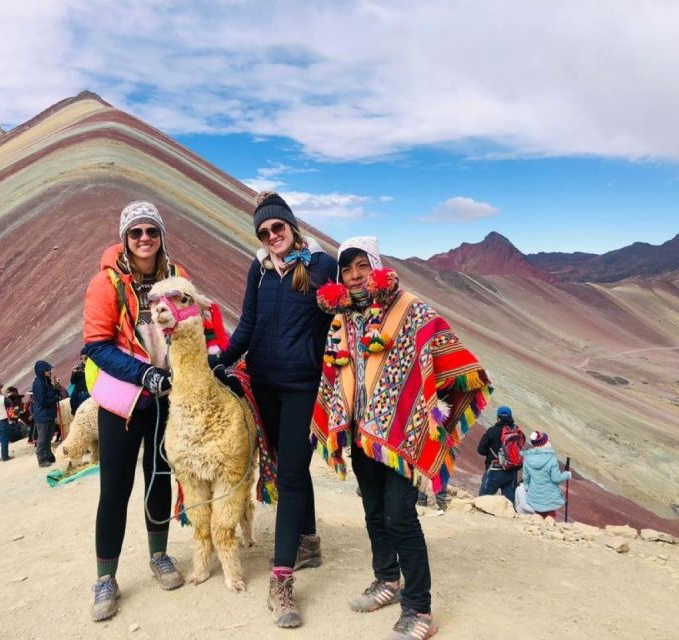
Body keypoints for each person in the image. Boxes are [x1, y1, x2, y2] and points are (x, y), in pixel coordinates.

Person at [311, 237, 492, 640]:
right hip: (362, 435)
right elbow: (336, 371)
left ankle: (419, 608)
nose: (355, 276)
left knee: (400, 516)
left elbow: (441, 347)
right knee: (373, 510)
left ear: (375, 266)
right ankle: (387, 580)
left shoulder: (409, 309)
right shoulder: (343, 318)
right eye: (347, 269)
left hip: (402, 437)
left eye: (362, 266)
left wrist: (431, 409)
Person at [207, 191, 337, 628]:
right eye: (263, 232)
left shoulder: (320, 266)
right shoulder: (259, 269)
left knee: (294, 474)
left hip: (302, 385)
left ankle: (281, 581)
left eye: (277, 228)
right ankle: (309, 541)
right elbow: (248, 323)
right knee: (285, 465)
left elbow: (338, 311)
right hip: (263, 383)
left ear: (292, 226)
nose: (271, 237)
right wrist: (221, 360)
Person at [82, 200, 187, 622]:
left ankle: (159, 556)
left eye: (152, 231)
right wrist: (145, 375)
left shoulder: (177, 280)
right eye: (136, 232)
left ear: (161, 236)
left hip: (167, 401)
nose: (145, 239)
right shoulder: (105, 284)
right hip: (124, 403)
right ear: (125, 238)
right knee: (116, 488)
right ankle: (105, 577)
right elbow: (97, 344)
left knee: (159, 479)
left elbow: (192, 326)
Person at [477, 405, 524, 502]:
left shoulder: (492, 431)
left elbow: (481, 449)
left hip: (494, 470)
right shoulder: (517, 432)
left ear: (498, 417)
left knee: (483, 501)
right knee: (509, 504)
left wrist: (491, 453)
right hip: (512, 472)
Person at [522, 431, 570, 519]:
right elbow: (556, 479)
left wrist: (527, 489)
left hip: (535, 495)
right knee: (550, 517)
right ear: (545, 443)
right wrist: (567, 474)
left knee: (538, 517)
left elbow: (526, 478)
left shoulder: (527, 459)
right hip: (549, 497)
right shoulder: (551, 459)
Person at [32, 361, 59, 467]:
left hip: (49, 413)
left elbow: (52, 394)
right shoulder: (38, 384)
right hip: (42, 414)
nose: (50, 372)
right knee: (43, 438)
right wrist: (54, 399)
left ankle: (48, 455)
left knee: (49, 436)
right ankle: (41, 458)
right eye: (48, 370)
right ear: (42, 371)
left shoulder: (47, 381)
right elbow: (42, 401)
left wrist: (56, 389)